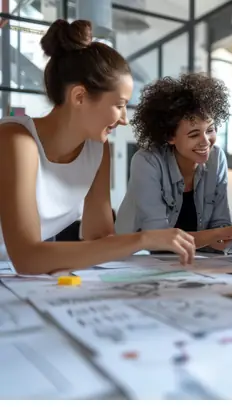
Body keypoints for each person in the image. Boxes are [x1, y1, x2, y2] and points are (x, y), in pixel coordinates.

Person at [0, 19, 196, 275]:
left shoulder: (97, 150)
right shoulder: (16, 140)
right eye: (119, 105)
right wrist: (143, 239)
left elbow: (100, 240)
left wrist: (143, 242)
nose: (124, 118)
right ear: (79, 97)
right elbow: (27, 258)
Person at [115, 74, 232, 252]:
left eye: (210, 130)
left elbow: (219, 225)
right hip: (135, 259)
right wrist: (221, 233)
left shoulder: (216, 159)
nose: (206, 141)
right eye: (193, 134)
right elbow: (158, 237)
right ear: (170, 136)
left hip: (190, 262)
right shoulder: (146, 162)